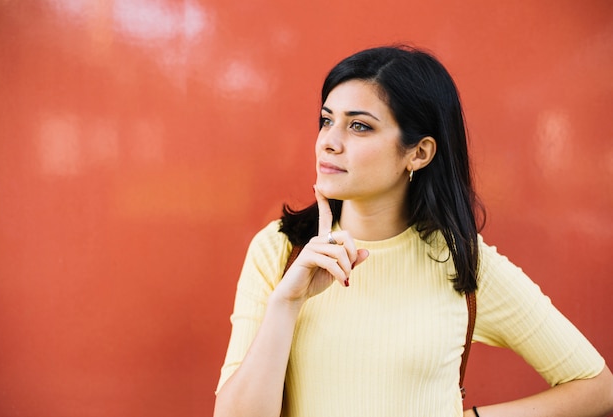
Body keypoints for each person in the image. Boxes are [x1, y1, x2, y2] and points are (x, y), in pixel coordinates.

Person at [213, 45, 613, 417]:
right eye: (327, 120)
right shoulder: (279, 251)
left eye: (359, 127)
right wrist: (287, 303)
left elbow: (598, 388)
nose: (329, 143)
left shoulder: (462, 261)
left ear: (418, 153)